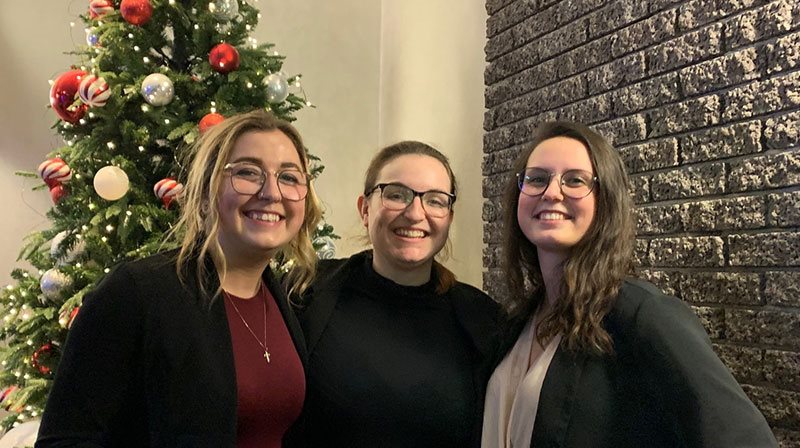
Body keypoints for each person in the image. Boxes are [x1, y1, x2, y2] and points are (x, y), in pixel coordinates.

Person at [482, 121, 777, 447]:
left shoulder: (644, 316)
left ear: (605, 201)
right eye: (537, 179)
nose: (552, 192)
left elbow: (745, 439)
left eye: (575, 180)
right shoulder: (517, 322)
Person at [36, 109, 322, 447]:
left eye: (289, 177)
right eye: (247, 172)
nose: (271, 192)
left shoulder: (287, 299)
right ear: (205, 191)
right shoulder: (138, 293)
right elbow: (66, 439)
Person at [299, 141, 501, 447]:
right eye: (396, 195)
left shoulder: (484, 320)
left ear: (448, 217)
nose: (415, 213)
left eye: (435, 200)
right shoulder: (308, 292)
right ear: (365, 209)